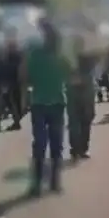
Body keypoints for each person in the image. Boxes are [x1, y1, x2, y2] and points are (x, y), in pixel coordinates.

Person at [21, 19, 69, 195]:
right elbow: (25, 77)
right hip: (41, 104)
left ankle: (52, 182)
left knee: (52, 144)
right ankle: (39, 184)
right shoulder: (36, 54)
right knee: (42, 144)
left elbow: (70, 74)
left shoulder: (59, 55)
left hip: (54, 103)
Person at [67, 36, 98, 159]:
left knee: (80, 119)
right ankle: (79, 148)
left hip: (81, 91)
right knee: (81, 119)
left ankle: (78, 148)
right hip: (82, 91)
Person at [2, 32, 25, 130]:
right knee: (15, 102)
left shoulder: (10, 55)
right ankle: (17, 121)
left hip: (14, 81)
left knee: (14, 102)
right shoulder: (17, 55)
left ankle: (17, 122)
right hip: (15, 81)